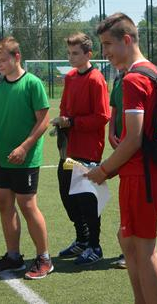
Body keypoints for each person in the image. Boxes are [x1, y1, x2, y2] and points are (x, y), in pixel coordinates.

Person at [86, 13, 157, 304]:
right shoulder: (152, 71)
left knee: (144, 249)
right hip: (144, 171)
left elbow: (134, 138)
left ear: (126, 40)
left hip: (141, 173)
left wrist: (104, 170)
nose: (105, 52)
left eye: (108, 44)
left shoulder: (134, 78)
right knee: (130, 243)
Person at [0, 37, 54, 279]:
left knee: (27, 205)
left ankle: (44, 259)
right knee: (4, 204)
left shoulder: (33, 84)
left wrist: (24, 147)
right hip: (1, 157)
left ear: (17, 57)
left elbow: (43, 121)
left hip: (26, 158)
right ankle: (14, 257)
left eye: (3, 60)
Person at [53, 33, 110, 265]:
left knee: (87, 199)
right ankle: (82, 239)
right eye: (69, 53)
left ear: (89, 54)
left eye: (75, 53)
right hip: (69, 150)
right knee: (68, 195)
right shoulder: (70, 77)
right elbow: (64, 107)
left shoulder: (96, 79)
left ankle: (95, 246)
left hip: (88, 151)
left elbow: (102, 116)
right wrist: (62, 121)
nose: (71, 58)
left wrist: (73, 122)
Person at [108, 69, 128, 269]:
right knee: (126, 202)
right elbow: (114, 108)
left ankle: (132, 252)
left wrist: (104, 171)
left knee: (134, 206)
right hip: (122, 145)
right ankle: (129, 250)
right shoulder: (119, 78)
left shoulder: (141, 76)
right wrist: (111, 131)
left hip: (135, 151)